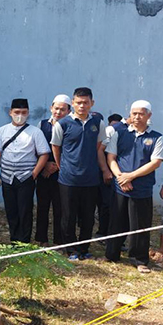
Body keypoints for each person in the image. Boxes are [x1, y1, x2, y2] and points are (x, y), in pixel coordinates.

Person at [104, 100, 163, 273]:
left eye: (141, 113)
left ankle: (139, 259)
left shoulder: (156, 137)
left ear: (149, 115)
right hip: (119, 187)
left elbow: (155, 163)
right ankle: (111, 254)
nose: (137, 117)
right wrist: (121, 177)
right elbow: (111, 158)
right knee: (115, 222)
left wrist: (131, 176)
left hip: (141, 189)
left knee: (140, 225)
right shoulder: (120, 133)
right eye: (134, 113)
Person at [51, 87, 108, 261]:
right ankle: (71, 250)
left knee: (88, 216)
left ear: (92, 103)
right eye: (78, 102)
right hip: (68, 179)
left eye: (86, 102)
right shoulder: (63, 124)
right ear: (73, 104)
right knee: (68, 216)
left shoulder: (97, 123)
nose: (82, 106)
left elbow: (99, 147)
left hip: (90, 179)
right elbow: (56, 147)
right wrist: (63, 166)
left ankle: (84, 248)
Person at [0, 98, 50, 243]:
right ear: (10, 112)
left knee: (25, 211)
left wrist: (34, 173)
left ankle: (24, 242)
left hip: (26, 178)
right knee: (11, 210)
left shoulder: (35, 132)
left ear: (28, 113)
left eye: (23, 112)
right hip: (6, 177)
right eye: (17, 112)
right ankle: (14, 239)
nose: (20, 115)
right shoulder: (2, 131)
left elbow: (44, 154)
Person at [35, 95, 71, 246]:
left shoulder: (71, 125)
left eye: (63, 109)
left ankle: (59, 241)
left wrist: (56, 165)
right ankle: (41, 239)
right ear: (51, 108)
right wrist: (44, 166)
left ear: (69, 111)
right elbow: (35, 147)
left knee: (60, 208)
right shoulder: (42, 125)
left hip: (63, 172)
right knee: (42, 206)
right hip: (44, 172)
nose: (58, 112)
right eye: (56, 108)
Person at [94, 113, 124, 240]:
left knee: (115, 206)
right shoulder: (110, 131)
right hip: (106, 173)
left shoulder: (125, 131)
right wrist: (106, 171)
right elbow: (100, 150)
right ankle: (102, 232)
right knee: (105, 204)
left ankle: (113, 236)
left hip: (121, 175)